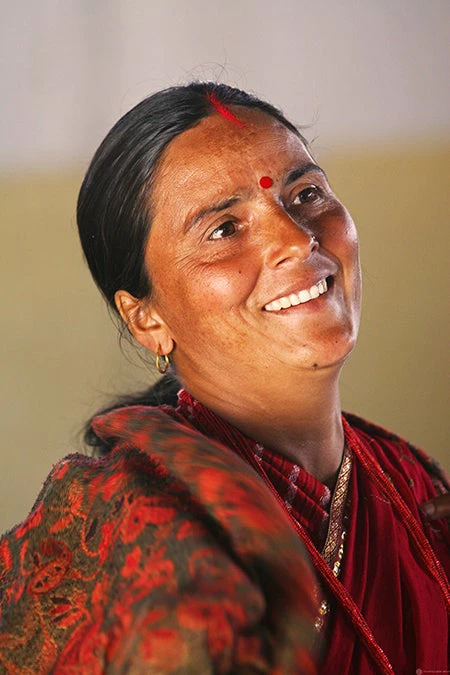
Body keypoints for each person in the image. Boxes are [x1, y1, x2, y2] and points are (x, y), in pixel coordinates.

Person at [0, 83, 448, 674]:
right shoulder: (129, 526)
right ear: (148, 319)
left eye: (306, 193)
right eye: (224, 229)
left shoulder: (413, 487)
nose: (296, 239)